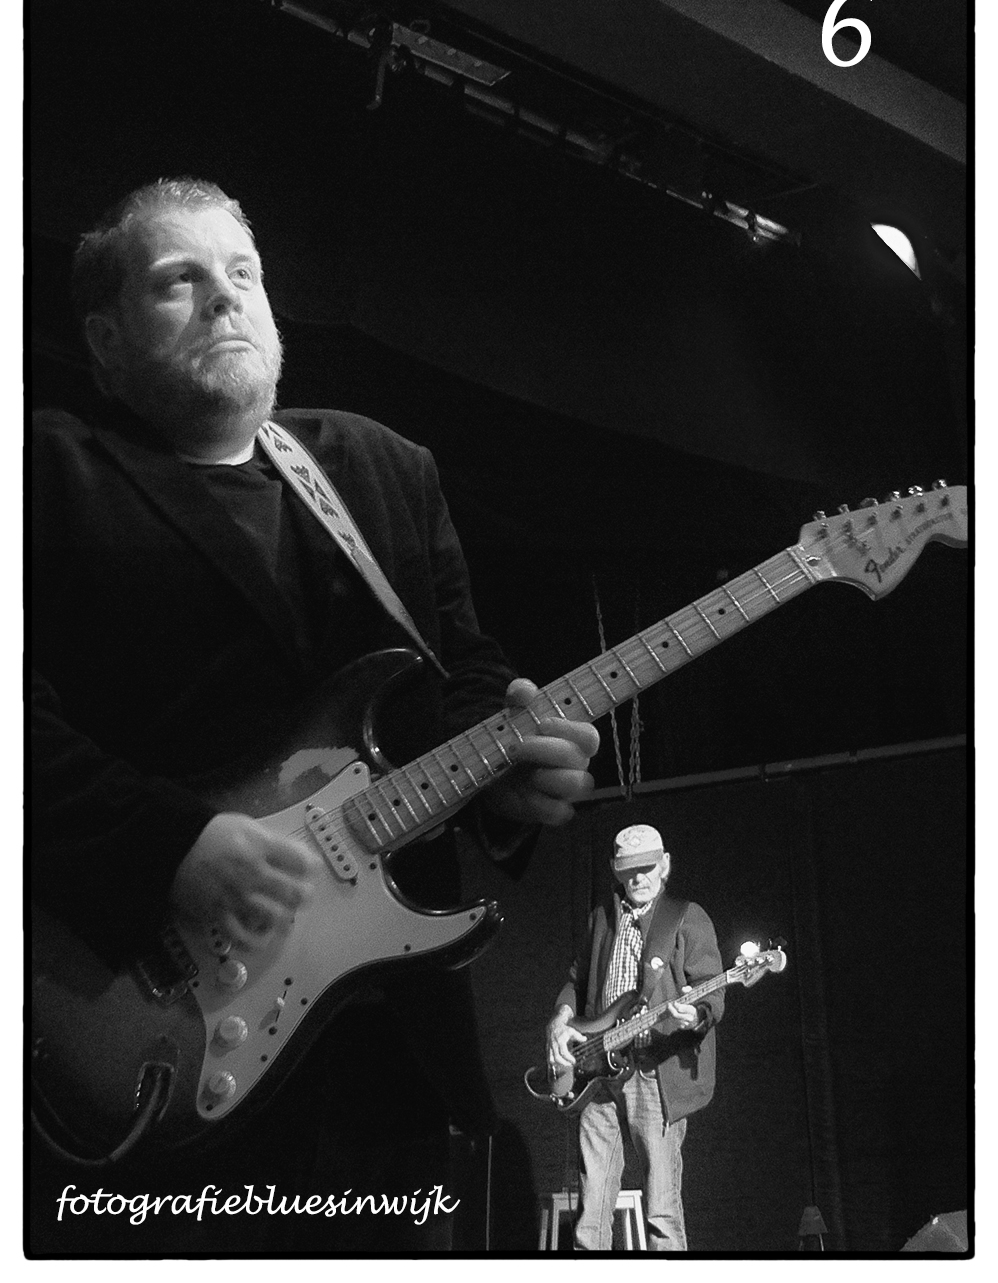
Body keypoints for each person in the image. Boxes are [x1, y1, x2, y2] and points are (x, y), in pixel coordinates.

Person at [30, 177, 599, 1255]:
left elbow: (460, 678)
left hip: (393, 1049)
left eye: (242, 273)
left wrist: (508, 774)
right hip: (154, 1027)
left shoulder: (382, 468)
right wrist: (167, 843)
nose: (224, 297)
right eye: (179, 281)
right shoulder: (46, 475)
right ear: (104, 340)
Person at [546, 823, 724, 1251]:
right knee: (591, 1208)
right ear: (615, 869)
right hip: (598, 1071)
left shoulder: (686, 916)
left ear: (665, 865)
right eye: (629, 870)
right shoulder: (602, 918)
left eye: (647, 867)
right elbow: (576, 979)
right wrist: (561, 1019)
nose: (638, 878)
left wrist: (695, 1015)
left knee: (661, 1208)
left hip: (654, 1070)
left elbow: (712, 990)